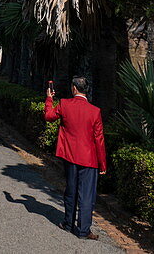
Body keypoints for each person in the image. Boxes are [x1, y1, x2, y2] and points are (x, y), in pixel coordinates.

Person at [45, 76, 107, 241]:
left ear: (74, 88)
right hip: (89, 159)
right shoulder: (95, 111)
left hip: (70, 156)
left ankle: (68, 223)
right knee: (86, 195)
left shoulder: (65, 104)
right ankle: (83, 230)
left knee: (71, 190)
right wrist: (102, 164)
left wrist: (49, 99)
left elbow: (49, 116)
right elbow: (99, 140)